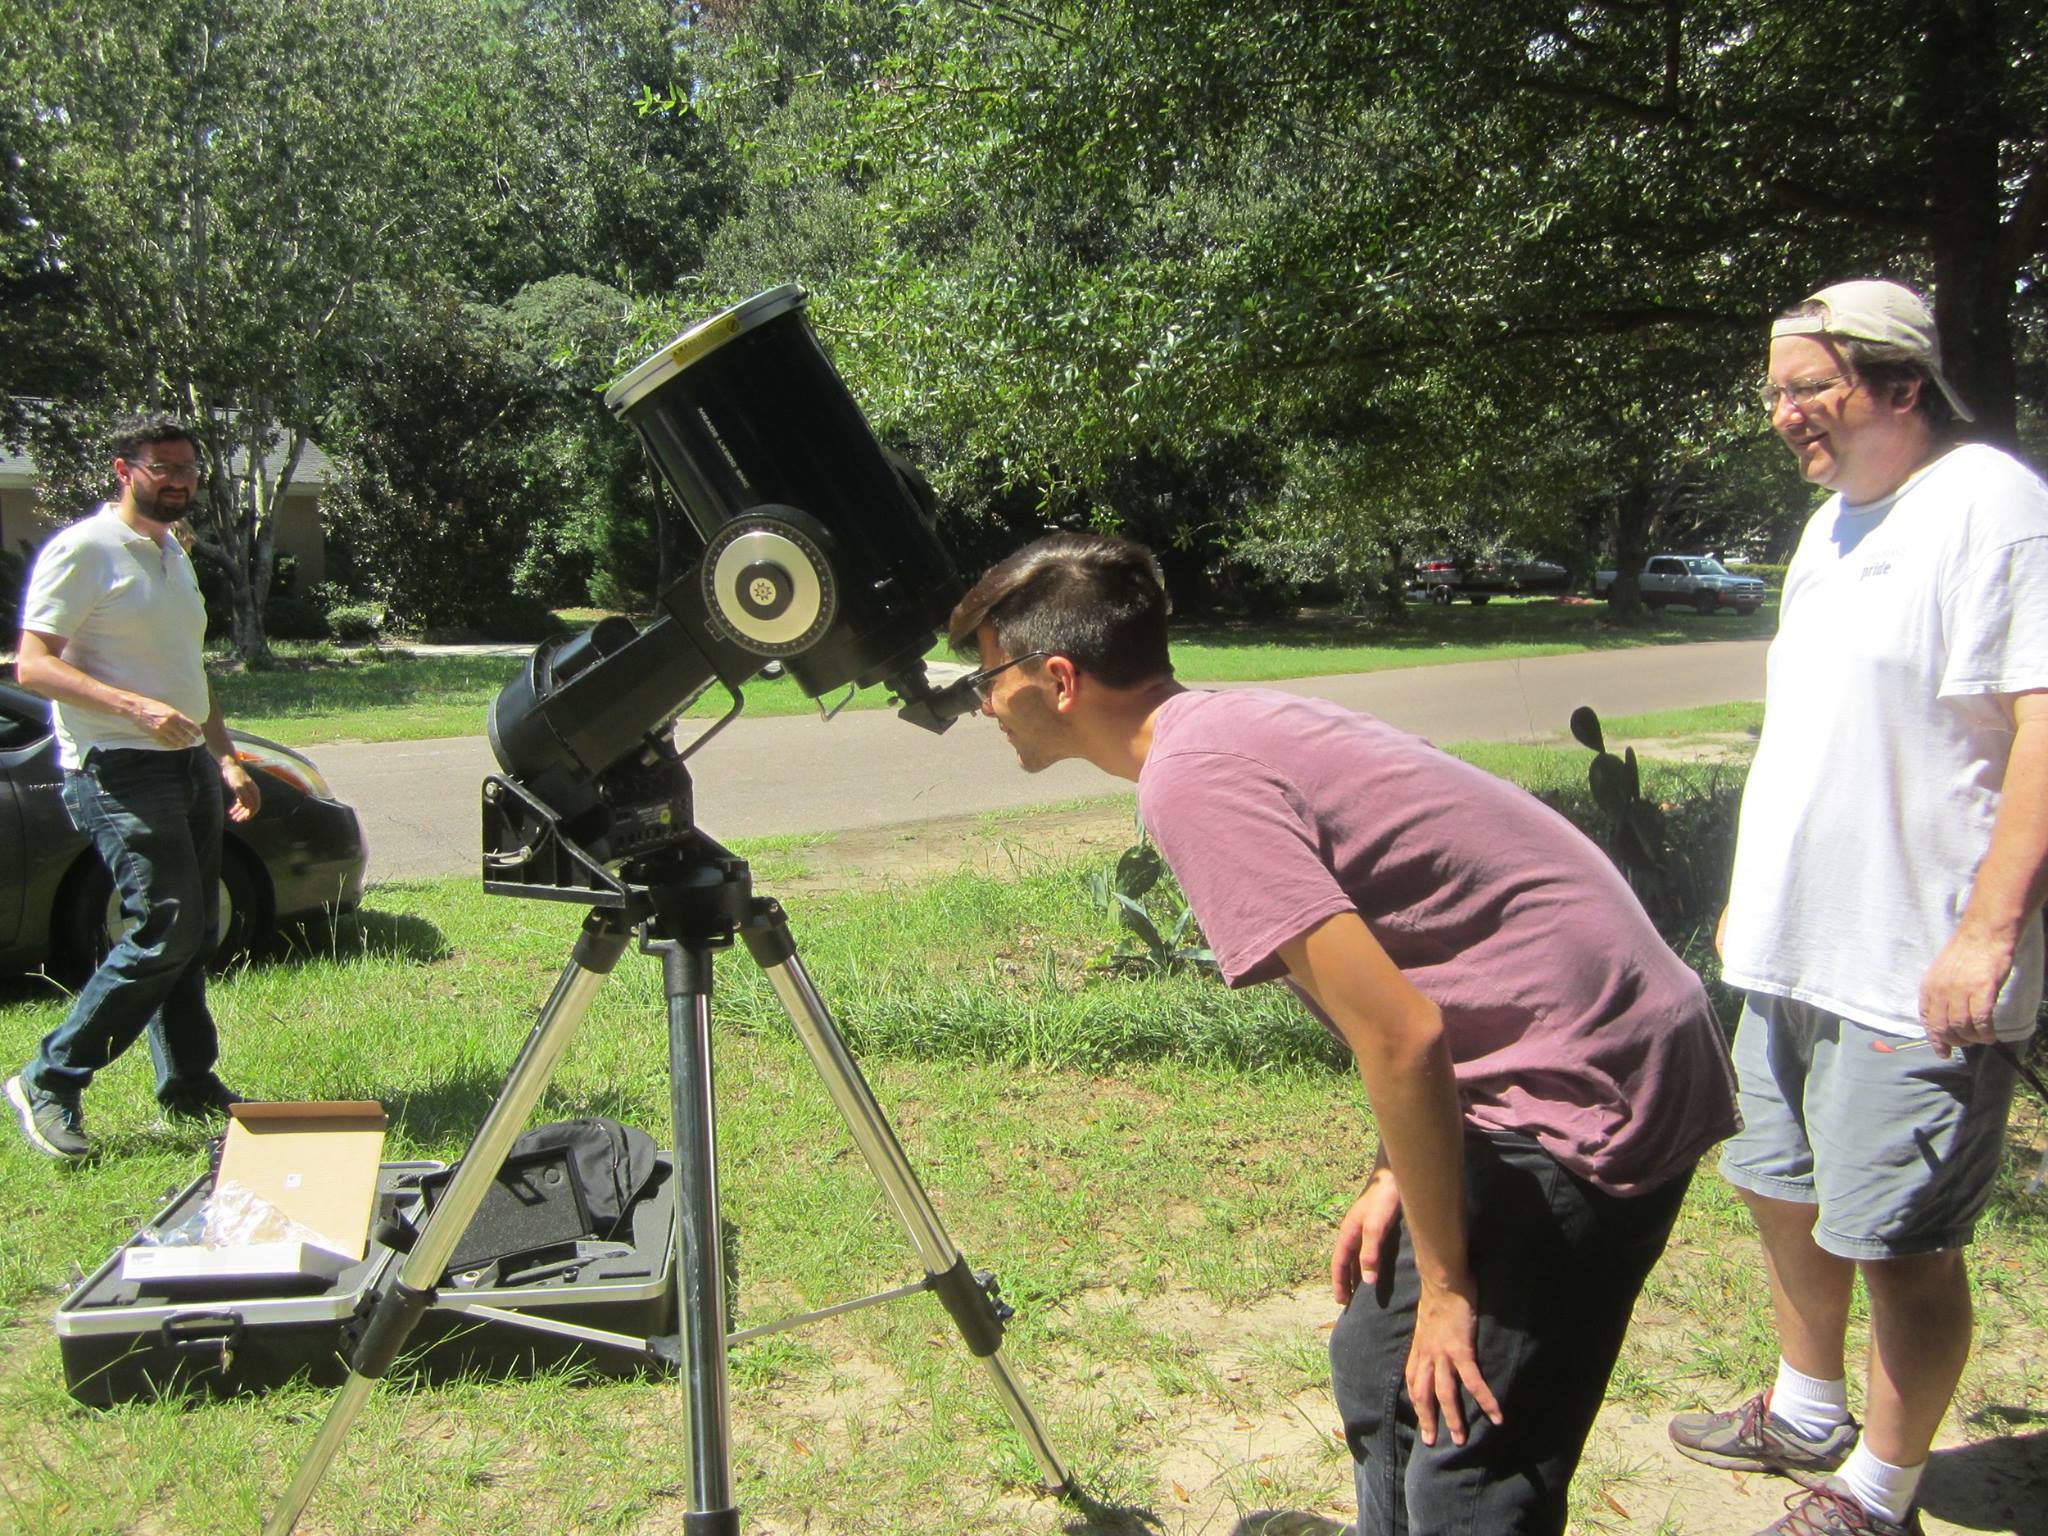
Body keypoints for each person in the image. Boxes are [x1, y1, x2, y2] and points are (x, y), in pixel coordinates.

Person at [948, 532, 1738, 1535]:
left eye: (986, 676)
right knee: (1374, 1364)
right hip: (1538, 1055)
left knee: (1466, 1451)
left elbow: (1400, 1034)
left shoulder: (1189, 779)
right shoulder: (1216, 726)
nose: (979, 702)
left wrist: (1451, 1283)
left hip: (1587, 1082)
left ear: (1057, 678)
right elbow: (1420, 967)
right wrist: (1393, 1173)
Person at [1664, 279, 2048, 1536]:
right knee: (1778, 1183)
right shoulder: (1831, 524)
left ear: (1897, 384)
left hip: (1910, 956)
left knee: (1896, 1238)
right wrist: (1747, 901)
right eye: (1773, 392)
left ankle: (1876, 1492)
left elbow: (2041, 728)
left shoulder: (1989, 503)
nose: (1783, 415)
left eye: (1806, 386)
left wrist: (1985, 934)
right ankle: (1804, 1406)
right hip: (1790, 941)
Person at [6, 414, 260, 1161]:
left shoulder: (172, 553)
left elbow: (189, 669)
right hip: (116, 764)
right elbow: (32, 665)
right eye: (161, 467)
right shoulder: (83, 550)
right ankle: (48, 1077)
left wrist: (227, 756)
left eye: (187, 468)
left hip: (186, 766)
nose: (178, 479)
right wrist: (133, 708)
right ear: (124, 469)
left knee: (192, 928)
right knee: (167, 923)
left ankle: (186, 1082)